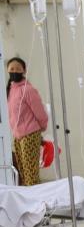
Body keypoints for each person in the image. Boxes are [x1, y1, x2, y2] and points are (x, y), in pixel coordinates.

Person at [6, 57, 49, 187]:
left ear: (24, 71)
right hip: (18, 136)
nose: (14, 71)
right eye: (12, 69)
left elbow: (40, 112)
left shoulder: (28, 89)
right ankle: (29, 197)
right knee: (23, 175)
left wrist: (41, 128)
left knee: (31, 175)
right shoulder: (10, 90)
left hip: (29, 135)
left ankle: (37, 197)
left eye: (18, 69)